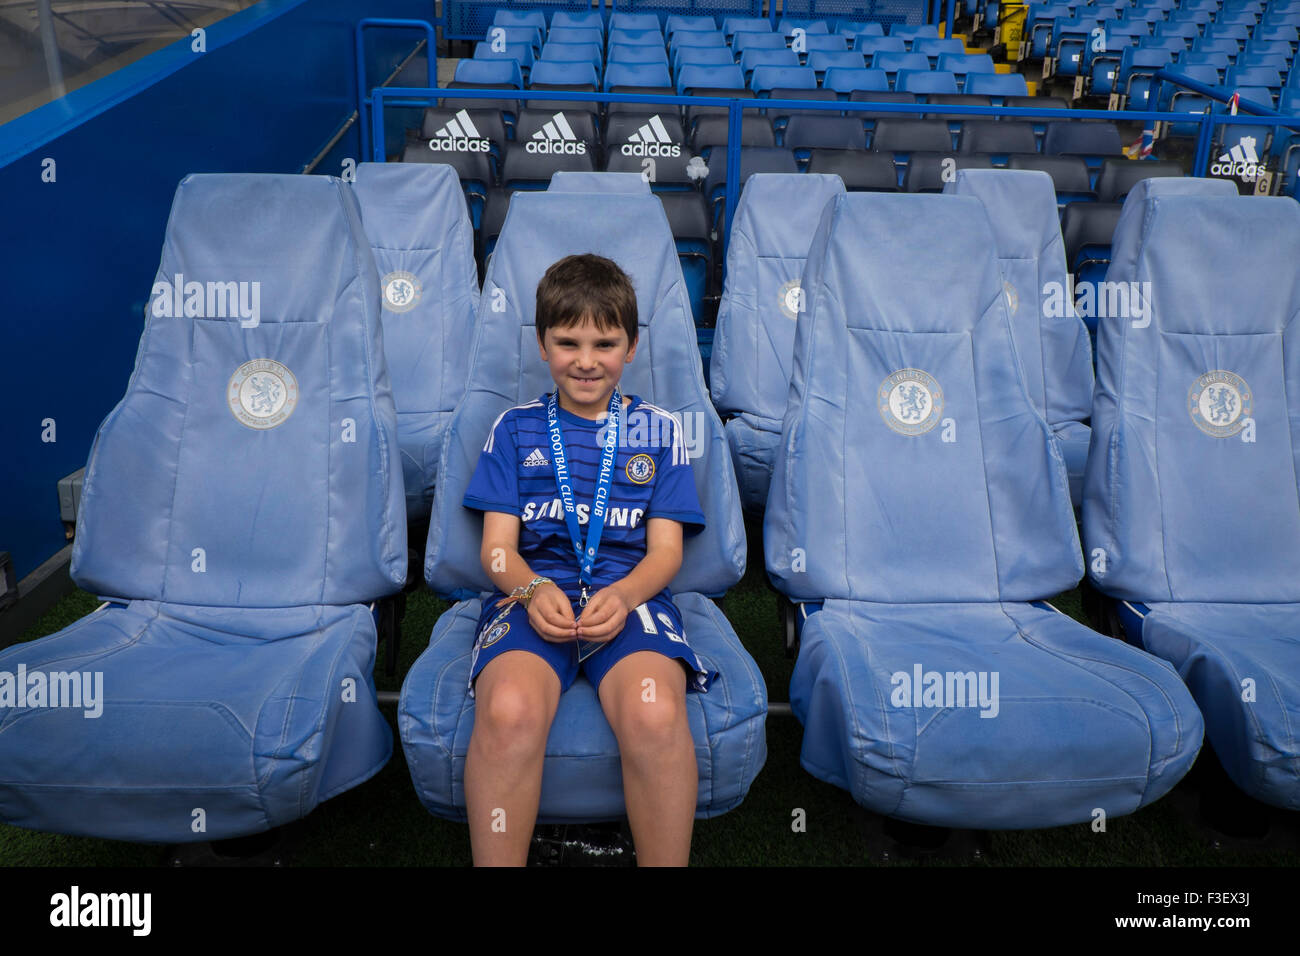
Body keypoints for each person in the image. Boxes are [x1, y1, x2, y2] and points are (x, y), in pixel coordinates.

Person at [461, 253, 713, 866]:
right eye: (567, 341)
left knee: (655, 711)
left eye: (605, 342)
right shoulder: (514, 429)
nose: (586, 359)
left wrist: (625, 595)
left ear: (631, 349)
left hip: (629, 601)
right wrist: (527, 590)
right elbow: (497, 549)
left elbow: (666, 552)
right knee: (508, 708)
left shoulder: (657, 430)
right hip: (532, 598)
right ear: (543, 346)